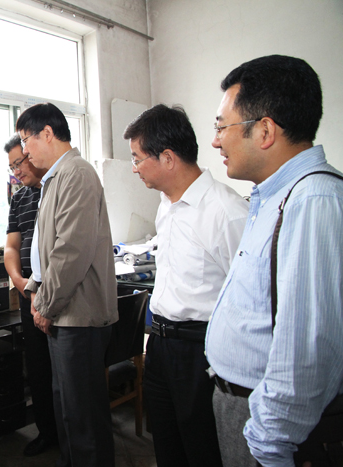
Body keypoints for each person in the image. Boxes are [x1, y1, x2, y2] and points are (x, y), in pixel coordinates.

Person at [205, 55, 343, 466]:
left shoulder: (312, 201)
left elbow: (308, 352)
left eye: (221, 127)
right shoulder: (272, 196)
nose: (216, 141)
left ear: (265, 130)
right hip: (244, 407)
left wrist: (269, 444)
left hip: (269, 428)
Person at [123, 104, 248, 467]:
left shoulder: (225, 211)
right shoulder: (166, 204)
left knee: (202, 449)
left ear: (167, 158)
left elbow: (249, 299)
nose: (134, 168)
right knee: (167, 447)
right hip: (161, 346)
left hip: (200, 352)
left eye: (137, 158)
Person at [17, 102, 118, 467]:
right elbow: (45, 250)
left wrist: (45, 305)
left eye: (26, 139)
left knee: (83, 418)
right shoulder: (55, 178)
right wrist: (34, 290)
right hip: (63, 311)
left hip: (78, 315)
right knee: (68, 411)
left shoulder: (77, 174)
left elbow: (70, 251)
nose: (24, 150)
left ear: (47, 133)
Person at [3, 134, 58, 457]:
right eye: (11, 167)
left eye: (19, 163)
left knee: (63, 373)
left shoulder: (57, 189)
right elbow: (11, 246)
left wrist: (39, 288)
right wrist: (18, 280)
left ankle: (72, 438)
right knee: (37, 369)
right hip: (28, 296)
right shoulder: (20, 198)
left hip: (57, 294)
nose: (17, 171)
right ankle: (47, 432)